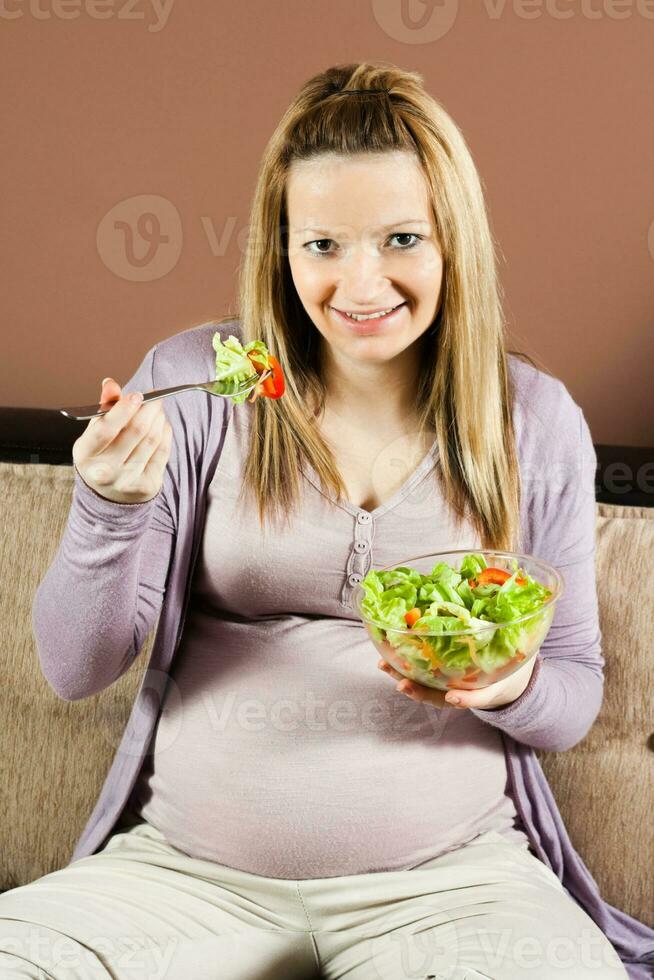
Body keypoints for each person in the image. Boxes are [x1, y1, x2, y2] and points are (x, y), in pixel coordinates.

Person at [2, 61, 652, 980]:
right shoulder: (197, 388)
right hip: (180, 882)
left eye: (399, 238)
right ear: (280, 250)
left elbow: (572, 695)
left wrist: (504, 686)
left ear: (452, 241)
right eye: (322, 246)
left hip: (452, 890)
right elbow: (75, 668)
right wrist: (109, 506)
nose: (361, 282)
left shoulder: (533, 421)